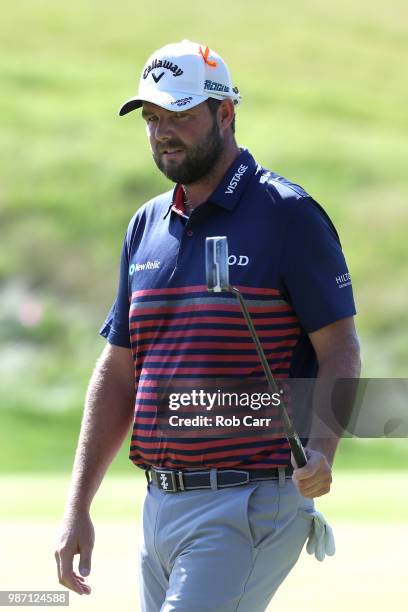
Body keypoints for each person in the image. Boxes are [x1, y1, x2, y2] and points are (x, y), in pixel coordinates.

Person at [55, 40, 361, 611]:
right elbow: (119, 370)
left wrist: (324, 448)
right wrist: (78, 506)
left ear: (225, 113)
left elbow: (339, 347)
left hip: (250, 500)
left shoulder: (287, 213)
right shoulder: (145, 225)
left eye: (179, 115)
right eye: (151, 117)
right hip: (160, 504)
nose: (162, 131)